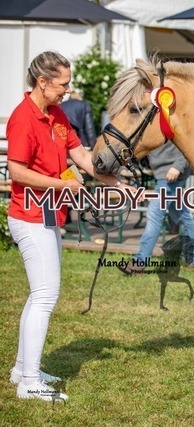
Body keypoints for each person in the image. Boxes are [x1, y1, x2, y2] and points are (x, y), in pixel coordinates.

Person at [6, 51, 127, 402]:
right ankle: (30, 382)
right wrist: (63, 185)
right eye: (63, 84)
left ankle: (22, 370)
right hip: (30, 217)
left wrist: (118, 183)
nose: (68, 90)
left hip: (48, 216)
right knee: (45, 296)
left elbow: (83, 157)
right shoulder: (22, 118)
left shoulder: (57, 114)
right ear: (42, 82)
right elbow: (17, 171)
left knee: (40, 295)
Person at [120, 142, 194, 274]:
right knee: (182, 217)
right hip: (164, 173)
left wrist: (178, 166)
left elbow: (188, 142)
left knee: (154, 214)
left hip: (172, 174)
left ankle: (139, 261)